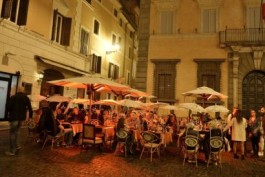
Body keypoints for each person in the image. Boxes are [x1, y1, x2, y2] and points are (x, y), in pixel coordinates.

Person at [6, 86, 33, 156]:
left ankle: (13, 151)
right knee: (17, 132)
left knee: (12, 134)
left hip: (14, 118)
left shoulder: (13, 97)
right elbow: (30, 108)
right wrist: (30, 117)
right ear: (23, 90)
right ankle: (17, 146)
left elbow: (8, 107)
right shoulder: (26, 98)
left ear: (17, 90)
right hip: (21, 119)